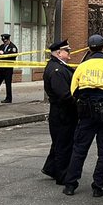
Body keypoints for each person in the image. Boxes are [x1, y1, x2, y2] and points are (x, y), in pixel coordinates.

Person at [63, 34, 103, 197]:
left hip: (86, 113)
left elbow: (72, 90)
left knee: (79, 149)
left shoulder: (82, 66)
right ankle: (98, 186)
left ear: (89, 48)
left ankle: (70, 184)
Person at [41, 39, 77, 184]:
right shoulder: (57, 70)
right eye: (66, 51)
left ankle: (51, 168)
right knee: (64, 143)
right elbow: (64, 95)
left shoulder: (59, 66)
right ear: (58, 53)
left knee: (59, 142)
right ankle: (62, 176)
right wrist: (78, 103)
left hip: (62, 111)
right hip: (63, 112)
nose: (69, 53)